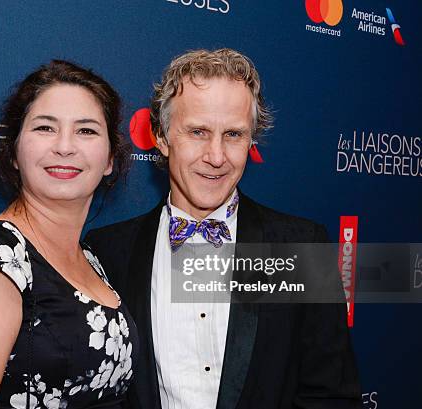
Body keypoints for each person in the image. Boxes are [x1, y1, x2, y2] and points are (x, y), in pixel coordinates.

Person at [85, 49, 362, 409]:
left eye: (233, 134)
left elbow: (332, 397)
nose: (216, 156)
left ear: (251, 141)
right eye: (198, 132)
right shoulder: (107, 252)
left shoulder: (301, 245)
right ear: (163, 137)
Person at [0, 60, 137, 409]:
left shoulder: (90, 258)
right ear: (15, 153)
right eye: (45, 128)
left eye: (86, 131)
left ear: (111, 157)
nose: (65, 147)